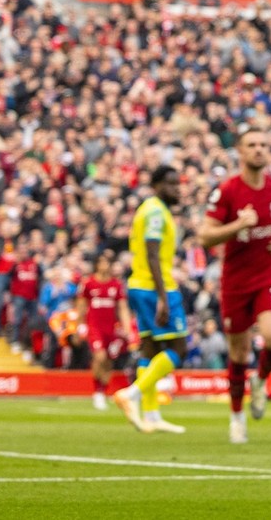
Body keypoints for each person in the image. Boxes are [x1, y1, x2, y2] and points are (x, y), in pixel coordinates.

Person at [199, 126, 271, 445]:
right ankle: (237, 417)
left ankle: (262, 380)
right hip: (235, 280)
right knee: (238, 353)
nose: (258, 149)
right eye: (251, 144)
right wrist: (239, 224)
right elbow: (205, 234)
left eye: (264, 144)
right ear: (239, 151)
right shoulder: (227, 191)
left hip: (268, 274)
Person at [113, 166, 188, 434]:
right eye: (170, 184)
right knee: (179, 349)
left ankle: (152, 414)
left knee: (150, 350)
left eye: (178, 184)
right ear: (156, 186)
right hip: (154, 288)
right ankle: (132, 394)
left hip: (140, 285)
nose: (177, 189)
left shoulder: (151, 208)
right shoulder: (156, 211)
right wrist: (163, 298)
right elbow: (152, 253)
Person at [77, 251, 130, 411]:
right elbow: (81, 305)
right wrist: (80, 325)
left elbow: (122, 308)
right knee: (99, 357)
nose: (104, 265)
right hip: (95, 327)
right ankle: (97, 392)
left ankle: (102, 390)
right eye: (101, 262)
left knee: (108, 362)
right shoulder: (89, 283)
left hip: (111, 329)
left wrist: (127, 328)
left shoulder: (116, 285)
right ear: (97, 265)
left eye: (107, 262)